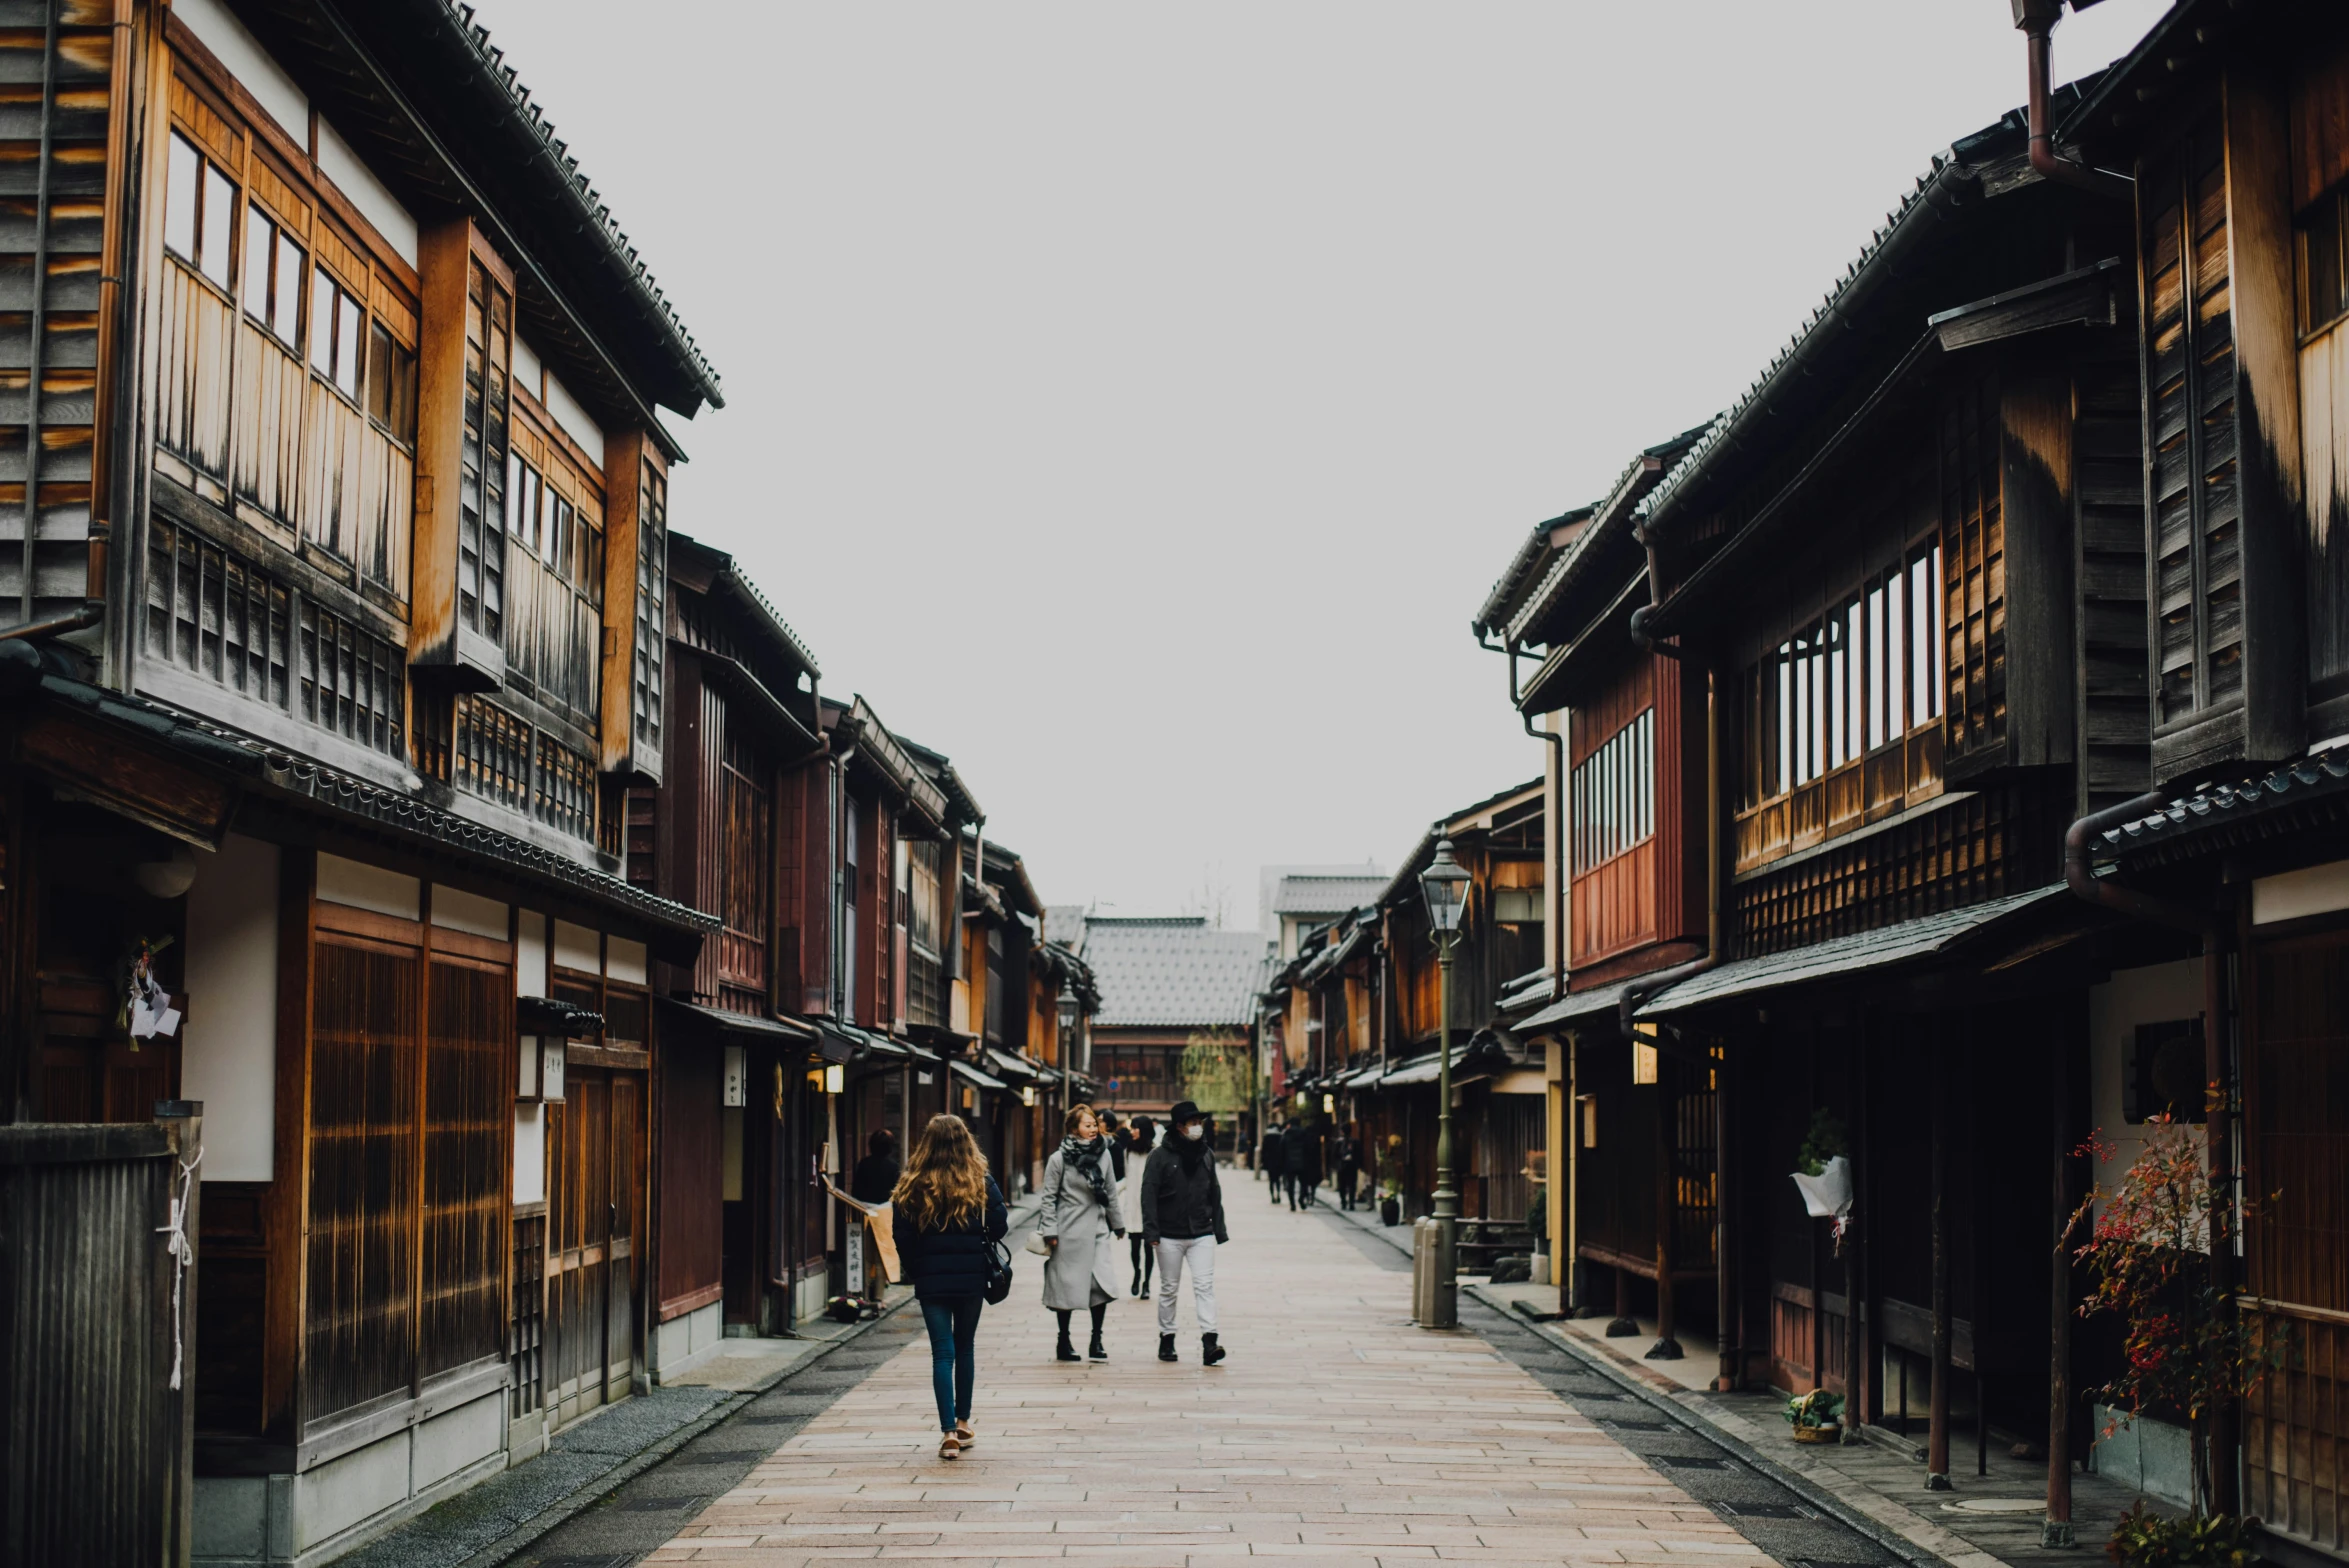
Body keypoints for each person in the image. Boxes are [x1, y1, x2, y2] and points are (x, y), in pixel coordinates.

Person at [889, 1114, 1008, 1461]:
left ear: (927, 1143)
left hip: (931, 1279)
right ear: (965, 1142)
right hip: (971, 1276)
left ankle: (947, 1434)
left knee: (942, 1353)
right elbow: (999, 1227)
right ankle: (963, 1420)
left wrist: (917, 1269)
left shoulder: (912, 1183)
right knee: (965, 1347)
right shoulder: (980, 1181)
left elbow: (902, 1236)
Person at [1141, 1099, 1229, 1365]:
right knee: (1169, 1288)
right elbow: (1148, 1194)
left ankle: (1210, 1341)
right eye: (1193, 1123)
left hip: (1201, 1231)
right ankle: (1167, 1337)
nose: (1198, 1128)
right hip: (1169, 1233)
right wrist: (1151, 1231)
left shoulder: (1206, 1154)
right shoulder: (1159, 1156)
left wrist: (1218, 1228)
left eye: (1199, 1123)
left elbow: (1214, 1191)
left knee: (1205, 1286)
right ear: (1180, 1126)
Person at [1039, 1103, 1126, 1362]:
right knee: (1065, 1287)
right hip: (1068, 1231)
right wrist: (1050, 1230)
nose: (1093, 1130)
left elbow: (1110, 1190)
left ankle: (1096, 1339)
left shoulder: (1104, 1155)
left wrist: (1118, 1223)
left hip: (1098, 1228)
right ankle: (1063, 1339)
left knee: (1100, 1284)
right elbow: (1048, 1197)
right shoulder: (1059, 1158)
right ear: (1074, 1128)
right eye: (1087, 1125)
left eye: (1095, 1125)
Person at [1124, 1115, 1158, 1297]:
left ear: (1143, 1130)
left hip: (1149, 1206)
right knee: (1134, 1248)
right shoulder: (1128, 1151)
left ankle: (1146, 1284)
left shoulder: (1154, 1152)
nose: (1132, 1131)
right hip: (1132, 1206)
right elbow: (1127, 1177)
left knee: (1148, 1247)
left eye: (1135, 1128)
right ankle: (1137, 1273)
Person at [851, 1126, 901, 1207]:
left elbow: (856, 1191)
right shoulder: (894, 1166)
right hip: (886, 1209)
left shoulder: (864, 1164)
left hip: (864, 1208)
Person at [1285, 1116, 1322, 1210]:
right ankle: (1301, 1199)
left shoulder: (1287, 1133)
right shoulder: (1304, 1133)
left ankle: (1292, 1204)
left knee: (1291, 1185)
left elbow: (1282, 1148)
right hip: (1303, 1162)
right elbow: (1309, 1148)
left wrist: (1283, 1162)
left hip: (1289, 1163)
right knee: (1304, 1183)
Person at [1333, 1127, 1361, 1211]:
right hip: (1350, 1166)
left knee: (1343, 1185)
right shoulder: (1354, 1141)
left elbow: (1334, 1155)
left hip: (1343, 1166)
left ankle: (1344, 1202)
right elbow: (1359, 1154)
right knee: (1351, 1185)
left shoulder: (1339, 1142)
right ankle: (1350, 1203)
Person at [1261, 1118, 1287, 1206]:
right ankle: (1278, 1195)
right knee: (1278, 1180)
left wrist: (1263, 1162)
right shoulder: (1280, 1137)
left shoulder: (1266, 1137)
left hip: (1269, 1162)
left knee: (1271, 1180)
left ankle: (1272, 1196)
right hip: (1279, 1161)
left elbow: (1263, 1151)